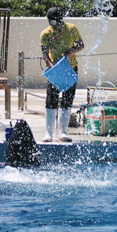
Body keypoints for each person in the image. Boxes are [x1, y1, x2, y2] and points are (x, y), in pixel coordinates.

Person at [40, 7, 84, 142]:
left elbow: (81, 45)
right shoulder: (46, 34)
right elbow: (45, 54)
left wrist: (69, 52)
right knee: (51, 99)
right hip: (55, 69)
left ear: (61, 20)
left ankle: (62, 132)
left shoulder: (72, 29)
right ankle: (48, 133)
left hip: (70, 68)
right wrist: (53, 68)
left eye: (57, 22)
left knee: (67, 100)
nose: (55, 26)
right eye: (52, 23)